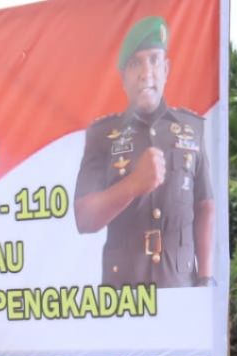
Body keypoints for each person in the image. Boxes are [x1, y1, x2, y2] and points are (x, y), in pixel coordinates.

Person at [73, 15, 214, 289]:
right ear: (123, 77)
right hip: (123, 298)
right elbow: (84, 219)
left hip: (180, 288)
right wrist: (133, 185)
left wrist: (206, 280)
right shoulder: (102, 134)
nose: (145, 72)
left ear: (166, 68)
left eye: (153, 59)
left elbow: (205, 206)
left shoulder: (192, 128)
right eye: (135, 63)